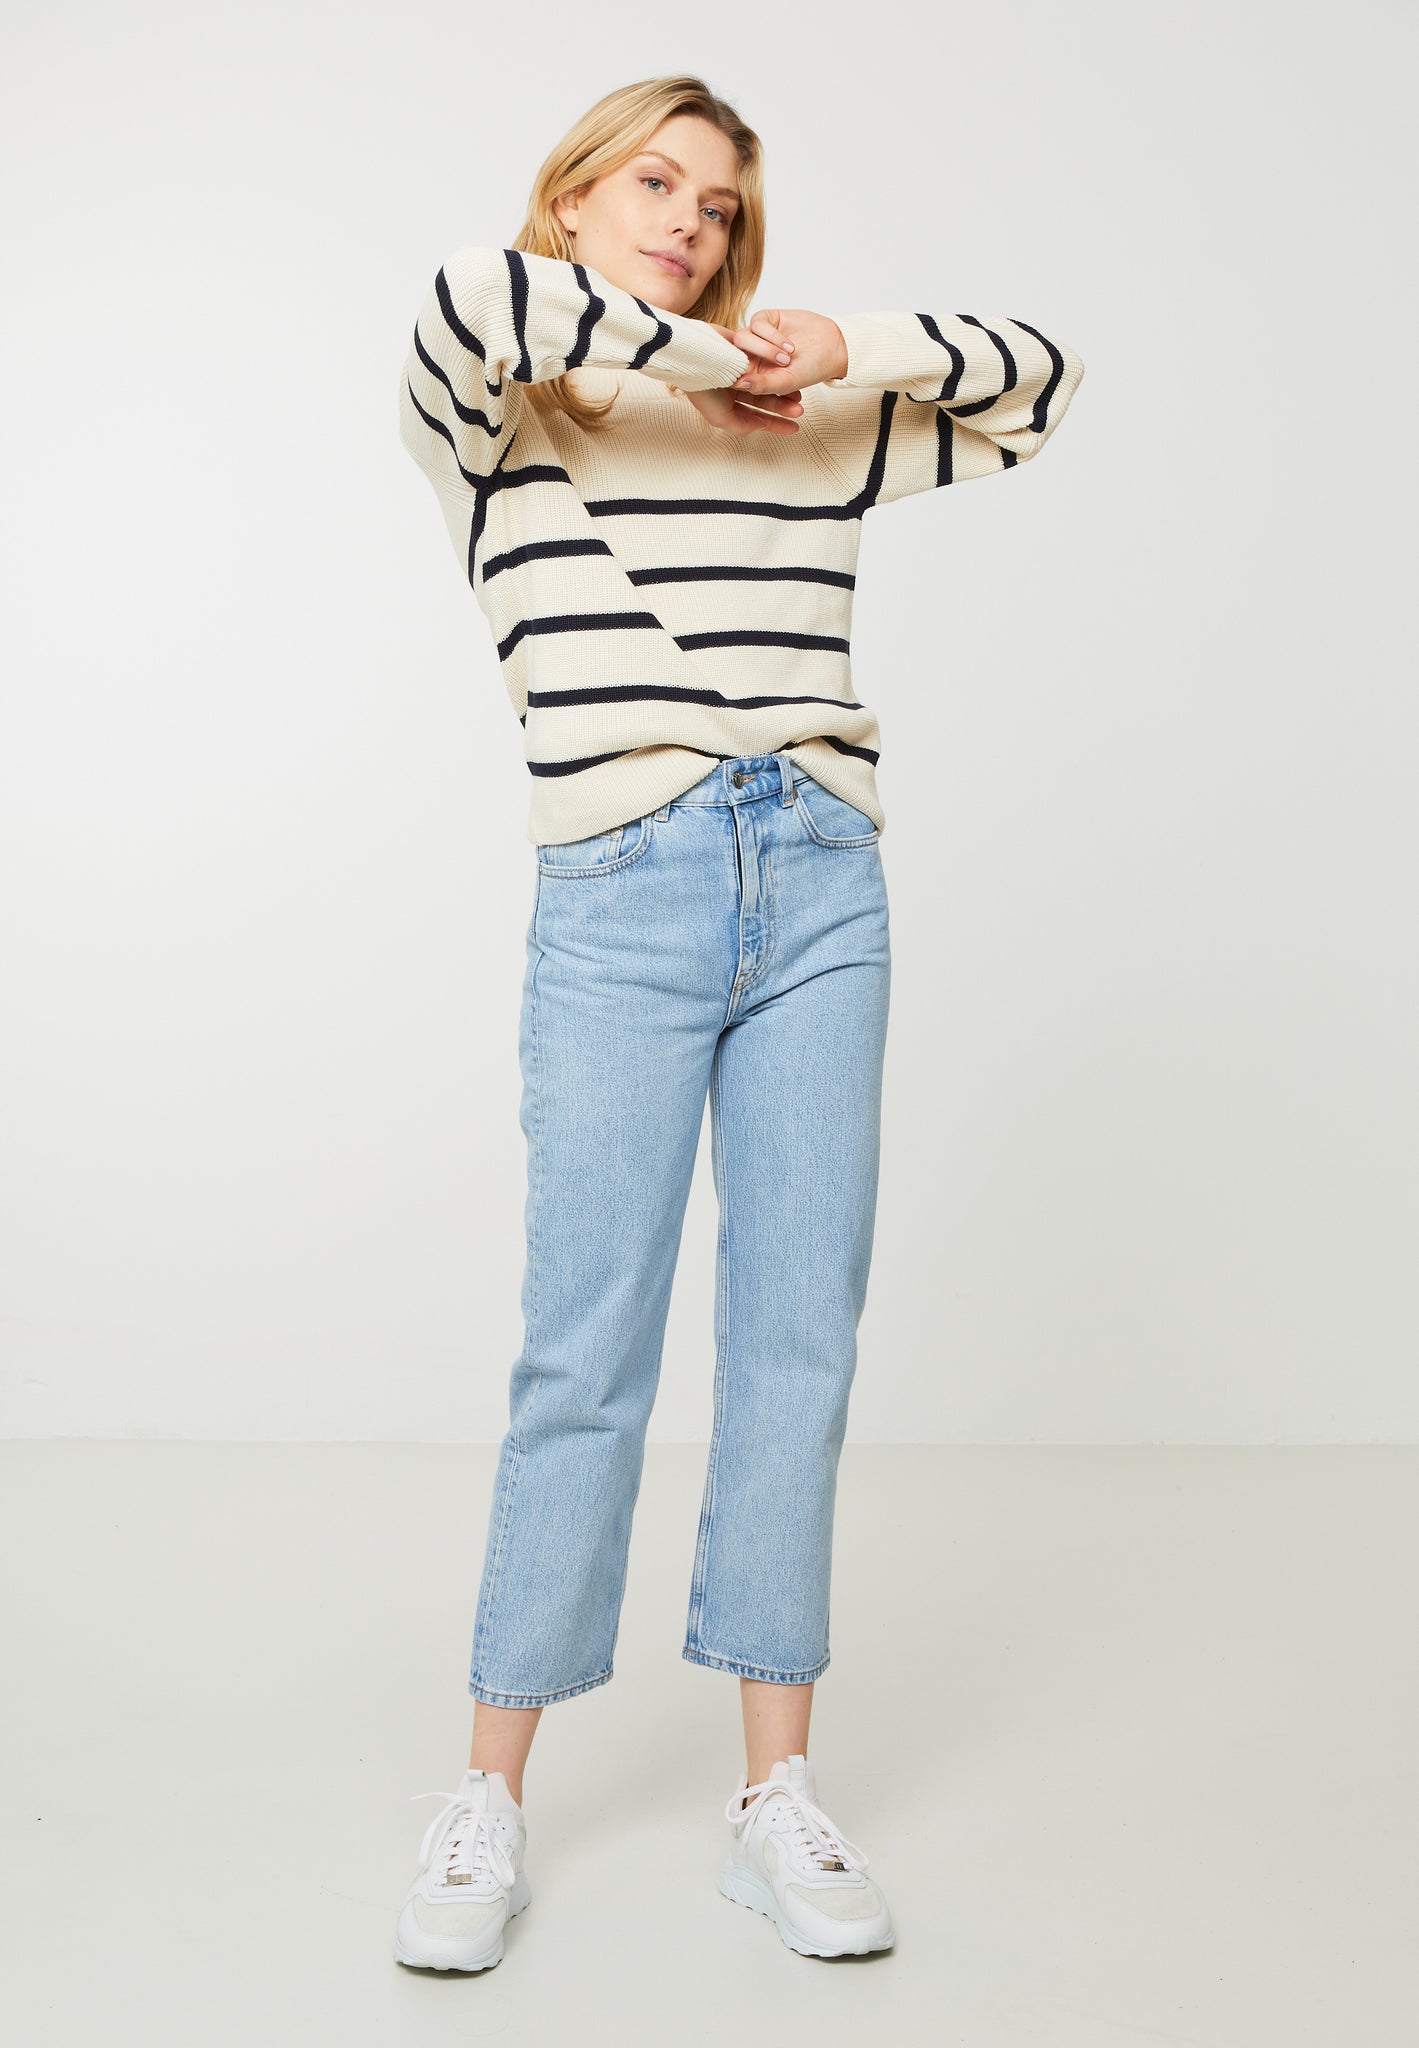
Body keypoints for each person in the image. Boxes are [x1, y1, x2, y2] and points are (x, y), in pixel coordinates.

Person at [391, 73, 1085, 1973]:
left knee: (796, 1343)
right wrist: (700, 357)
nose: (688, 225)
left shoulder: (806, 419)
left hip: (823, 882)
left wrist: (828, 349)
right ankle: (490, 1798)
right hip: (625, 890)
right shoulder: (506, 416)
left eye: (717, 208)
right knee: (586, 1349)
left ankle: (775, 1793)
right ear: (576, 195)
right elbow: (462, 294)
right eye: (655, 184)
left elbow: (1036, 384)